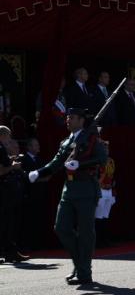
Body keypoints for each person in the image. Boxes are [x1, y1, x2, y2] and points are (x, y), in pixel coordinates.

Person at [29, 108, 108, 284]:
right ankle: (79, 264)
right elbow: (56, 163)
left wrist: (80, 164)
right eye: (67, 117)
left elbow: (102, 159)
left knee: (86, 232)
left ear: (81, 120)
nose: (68, 120)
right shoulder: (66, 142)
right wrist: (39, 172)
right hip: (69, 189)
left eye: (71, 118)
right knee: (61, 228)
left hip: (87, 189)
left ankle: (84, 273)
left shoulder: (92, 138)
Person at [0, 134, 28, 263]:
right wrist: (13, 166)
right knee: (5, 223)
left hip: (7, 192)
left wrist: (10, 160)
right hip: (3, 191)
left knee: (10, 222)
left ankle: (10, 252)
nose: (9, 140)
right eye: (8, 137)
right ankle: (7, 252)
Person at [20, 137, 47, 250]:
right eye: (35, 145)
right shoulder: (24, 159)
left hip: (39, 194)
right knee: (28, 220)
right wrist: (39, 179)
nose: (38, 147)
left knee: (38, 219)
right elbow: (25, 177)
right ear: (29, 147)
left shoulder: (39, 160)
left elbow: (46, 173)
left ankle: (37, 244)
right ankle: (27, 244)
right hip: (28, 195)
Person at [94, 138, 116, 247]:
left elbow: (112, 177)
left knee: (105, 216)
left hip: (108, 190)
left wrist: (113, 191)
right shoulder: (96, 161)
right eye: (104, 148)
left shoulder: (111, 161)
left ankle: (105, 239)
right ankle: (98, 241)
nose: (106, 150)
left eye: (107, 148)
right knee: (98, 216)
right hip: (100, 190)